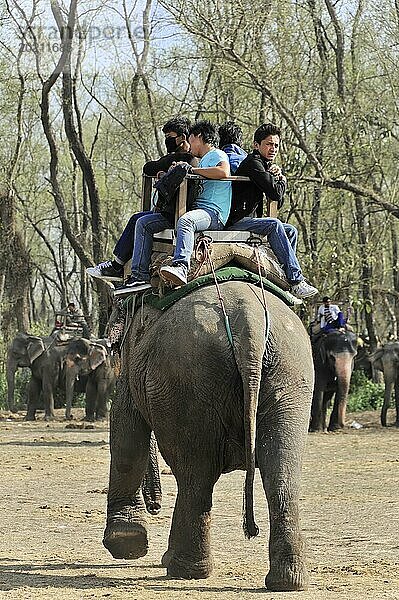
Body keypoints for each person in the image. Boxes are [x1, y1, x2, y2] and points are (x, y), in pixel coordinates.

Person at [110, 120, 230, 293]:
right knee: (143, 223)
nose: (190, 144)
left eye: (191, 138)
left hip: (213, 213)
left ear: (199, 136)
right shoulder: (202, 160)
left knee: (186, 221)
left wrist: (192, 171)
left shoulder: (216, 154)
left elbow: (223, 172)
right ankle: (139, 277)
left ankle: (181, 266)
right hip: (197, 210)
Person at [86, 117, 196, 283]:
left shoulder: (187, 159)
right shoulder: (178, 158)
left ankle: (139, 275)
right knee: (136, 217)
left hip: (175, 214)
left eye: (170, 137)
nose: (167, 141)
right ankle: (116, 265)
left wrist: (167, 164)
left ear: (182, 137)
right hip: (169, 211)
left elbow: (149, 167)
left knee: (143, 223)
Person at [226, 123, 318, 299]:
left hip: (250, 220)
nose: (273, 148)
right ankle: (296, 281)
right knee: (274, 224)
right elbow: (275, 192)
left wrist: (276, 177)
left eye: (276, 145)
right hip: (237, 221)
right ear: (256, 145)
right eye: (268, 144)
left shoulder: (264, 165)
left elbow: (278, 200)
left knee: (291, 230)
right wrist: (281, 180)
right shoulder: (253, 163)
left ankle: (282, 277)